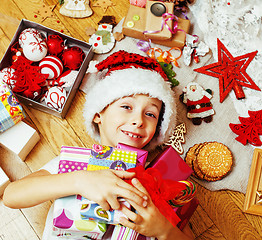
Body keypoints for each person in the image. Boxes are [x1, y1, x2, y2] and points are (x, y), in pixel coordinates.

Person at [3, 50, 194, 240]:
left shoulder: (164, 181)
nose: (138, 120)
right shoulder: (75, 162)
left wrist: (163, 230)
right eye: (126, 107)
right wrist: (80, 181)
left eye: (151, 114)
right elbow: (12, 195)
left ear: (158, 130)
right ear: (97, 114)